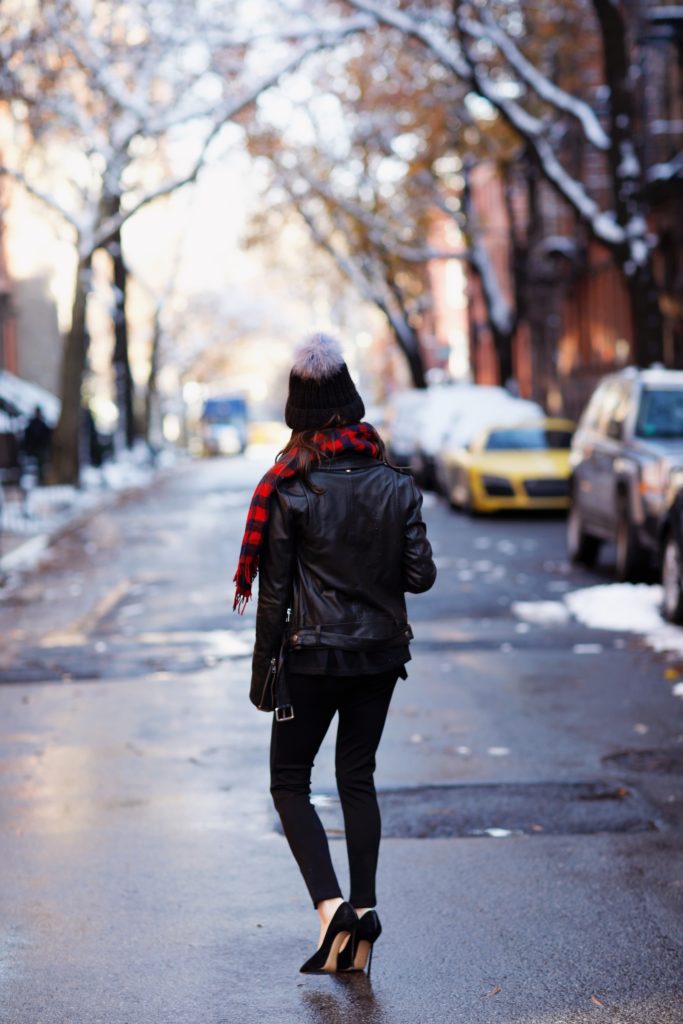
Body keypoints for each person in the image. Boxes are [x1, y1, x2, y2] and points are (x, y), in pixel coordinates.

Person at [233, 334, 436, 975]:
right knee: (358, 777)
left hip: (312, 658)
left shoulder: (288, 488)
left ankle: (332, 910)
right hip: (379, 656)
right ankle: (366, 913)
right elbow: (420, 575)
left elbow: (274, 596)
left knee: (290, 781)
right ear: (351, 409)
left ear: (300, 416)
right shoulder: (397, 485)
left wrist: (265, 671)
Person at [22, 406, 52, 485]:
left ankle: (41, 479)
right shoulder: (34, 424)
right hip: (35, 449)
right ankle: (40, 480)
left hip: (39, 449)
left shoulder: (42, 424)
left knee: (41, 464)